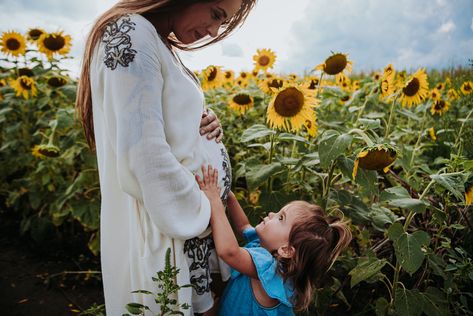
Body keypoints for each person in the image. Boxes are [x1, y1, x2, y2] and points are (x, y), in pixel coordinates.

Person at [75, 0, 257, 315]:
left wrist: (204, 120)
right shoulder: (131, 32)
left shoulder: (152, 38)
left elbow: (161, 118)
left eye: (222, 23)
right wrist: (205, 211)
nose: (213, 31)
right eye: (215, 15)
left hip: (184, 230)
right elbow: (143, 155)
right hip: (170, 230)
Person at [196, 165, 353, 315]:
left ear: (286, 250)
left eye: (280, 218)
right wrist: (229, 195)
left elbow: (229, 252)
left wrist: (215, 201)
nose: (271, 213)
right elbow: (243, 226)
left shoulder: (269, 269)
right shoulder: (266, 247)